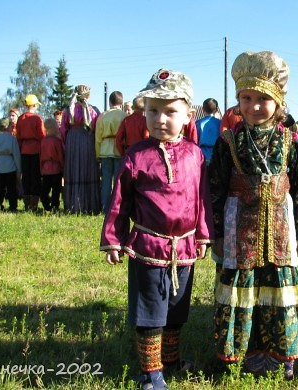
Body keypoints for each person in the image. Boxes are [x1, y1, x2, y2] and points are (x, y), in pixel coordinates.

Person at [100, 68, 214, 390]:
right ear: (143, 111)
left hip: (185, 248)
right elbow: (119, 200)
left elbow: (201, 198)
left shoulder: (195, 156)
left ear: (188, 114)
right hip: (148, 247)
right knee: (150, 310)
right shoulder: (136, 155)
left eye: (170, 111)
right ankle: (150, 373)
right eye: (153, 110)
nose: (160, 118)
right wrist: (113, 238)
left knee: (177, 308)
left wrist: (204, 235)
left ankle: (172, 361)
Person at [209, 51, 298, 380]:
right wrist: (217, 234)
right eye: (246, 98)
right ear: (238, 100)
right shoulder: (229, 141)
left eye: (263, 99)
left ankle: (282, 355)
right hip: (240, 230)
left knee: (277, 288)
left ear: (278, 101)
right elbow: (215, 187)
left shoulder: (291, 141)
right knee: (244, 289)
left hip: (281, 230)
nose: (254, 106)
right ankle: (242, 353)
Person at [60, 85, 101, 214]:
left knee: (74, 169)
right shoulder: (93, 110)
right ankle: (89, 204)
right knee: (87, 168)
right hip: (87, 139)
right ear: (88, 96)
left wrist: (65, 145)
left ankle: (73, 204)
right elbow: (97, 127)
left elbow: (62, 130)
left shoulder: (68, 110)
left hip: (72, 140)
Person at [95, 91, 127, 212]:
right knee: (118, 181)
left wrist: (97, 153)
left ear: (110, 102)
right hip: (119, 150)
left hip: (105, 149)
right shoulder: (124, 116)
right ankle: (117, 207)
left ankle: (104, 207)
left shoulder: (102, 116)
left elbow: (98, 137)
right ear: (121, 102)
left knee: (106, 181)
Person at [16, 94, 45, 211]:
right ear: (34, 105)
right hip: (36, 150)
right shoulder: (37, 119)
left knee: (26, 177)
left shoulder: (20, 118)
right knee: (35, 177)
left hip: (24, 150)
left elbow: (18, 136)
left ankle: (27, 204)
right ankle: (34, 205)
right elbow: (42, 135)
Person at [0, 118, 21, 211]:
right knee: (11, 188)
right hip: (11, 165)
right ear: (9, 126)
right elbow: (16, 154)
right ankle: (13, 206)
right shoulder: (12, 139)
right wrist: (19, 168)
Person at [40, 118, 64, 212]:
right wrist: (62, 167)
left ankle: (46, 204)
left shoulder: (43, 141)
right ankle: (55, 206)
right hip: (56, 168)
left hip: (46, 169)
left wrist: (41, 168)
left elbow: (41, 157)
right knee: (56, 190)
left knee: (45, 190)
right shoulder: (57, 141)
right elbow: (60, 156)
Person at [195, 98, 221, 165]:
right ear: (216, 110)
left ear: (203, 109)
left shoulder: (198, 123)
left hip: (201, 156)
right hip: (217, 156)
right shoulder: (220, 124)